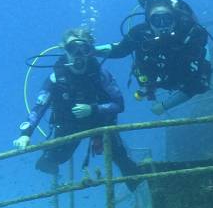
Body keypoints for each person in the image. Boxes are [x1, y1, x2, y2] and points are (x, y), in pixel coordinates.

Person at [13, 28, 144, 185]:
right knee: (52, 160)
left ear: (91, 51)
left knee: (121, 157)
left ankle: (139, 183)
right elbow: (39, 107)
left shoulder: (101, 75)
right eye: (72, 48)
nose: (78, 54)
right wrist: (25, 133)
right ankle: (55, 176)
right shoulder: (55, 79)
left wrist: (93, 109)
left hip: (99, 123)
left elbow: (119, 104)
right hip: (68, 124)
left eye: (85, 49)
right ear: (64, 49)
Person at [97, 0, 213, 115]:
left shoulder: (188, 36)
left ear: (174, 20)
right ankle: (149, 87)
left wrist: (164, 106)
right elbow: (120, 49)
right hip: (156, 79)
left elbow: (197, 85)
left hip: (181, 78)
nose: (163, 25)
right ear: (149, 23)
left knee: (200, 83)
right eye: (156, 21)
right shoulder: (140, 34)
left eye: (167, 19)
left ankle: (151, 87)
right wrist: (89, 50)